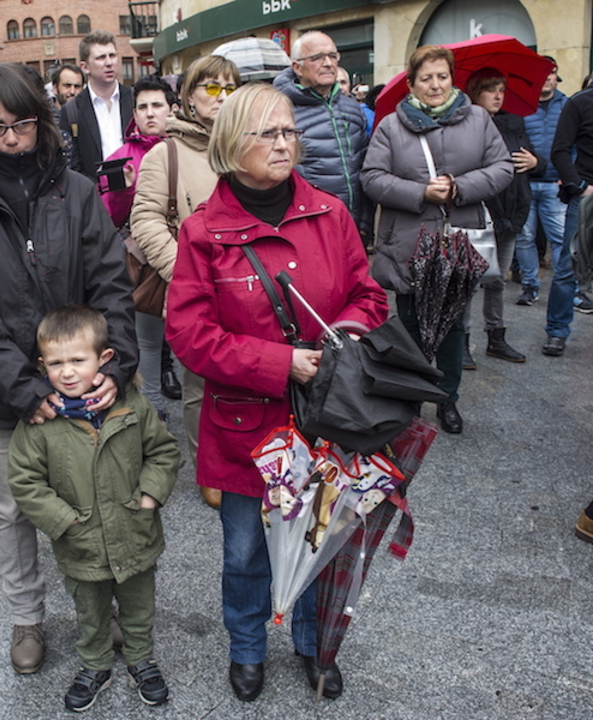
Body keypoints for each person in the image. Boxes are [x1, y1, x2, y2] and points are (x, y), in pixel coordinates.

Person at [165, 83, 388, 702]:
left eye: (289, 130)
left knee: (322, 540)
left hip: (325, 418)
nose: (284, 142)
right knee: (244, 554)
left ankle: (316, 646)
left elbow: (368, 298)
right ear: (232, 143)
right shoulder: (203, 232)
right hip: (245, 427)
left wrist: (339, 339)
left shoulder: (330, 212)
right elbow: (188, 334)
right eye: (268, 132)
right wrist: (278, 362)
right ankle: (246, 649)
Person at [0, 62, 138, 676]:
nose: (11, 137)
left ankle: (104, 606)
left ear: (41, 122)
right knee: (13, 509)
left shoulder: (73, 188)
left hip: (84, 378)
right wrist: (24, 389)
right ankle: (27, 616)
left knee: (95, 497)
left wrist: (113, 367)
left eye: (21, 123)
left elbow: (110, 283)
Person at [8, 305, 179, 711]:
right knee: (90, 610)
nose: (67, 372)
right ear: (42, 365)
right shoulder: (40, 422)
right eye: (56, 363)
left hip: (136, 532)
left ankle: (142, 658)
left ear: (103, 359)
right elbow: (24, 480)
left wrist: (150, 496)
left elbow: (163, 452)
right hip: (80, 540)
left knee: (139, 605)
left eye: (77, 361)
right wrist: (64, 522)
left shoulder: (130, 405)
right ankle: (95, 664)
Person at [361, 45, 513, 434]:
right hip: (409, 242)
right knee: (411, 324)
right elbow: (372, 178)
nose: (435, 85)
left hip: (458, 240)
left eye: (442, 76)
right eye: (426, 78)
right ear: (411, 84)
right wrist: (420, 193)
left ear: (452, 79)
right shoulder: (391, 127)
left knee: (453, 324)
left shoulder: (478, 119)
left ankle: (447, 398)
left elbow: (502, 168)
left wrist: (460, 186)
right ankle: (409, 399)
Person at [131, 55, 241, 509]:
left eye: (230, 87)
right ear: (189, 97)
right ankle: (207, 467)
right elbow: (146, 220)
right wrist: (189, 273)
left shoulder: (246, 145)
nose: (222, 97)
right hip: (196, 287)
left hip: (252, 287)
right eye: (211, 88)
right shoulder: (167, 152)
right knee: (200, 383)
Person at [99, 75, 176, 417]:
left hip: (190, 257)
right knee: (148, 341)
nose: (149, 113)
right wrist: (124, 190)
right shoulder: (121, 157)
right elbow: (107, 218)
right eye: (142, 106)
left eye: (157, 105)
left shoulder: (189, 146)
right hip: (145, 265)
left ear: (171, 109)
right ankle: (154, 412)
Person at [463, 68, 541, 364]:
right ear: (476, 93)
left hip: (512, 212)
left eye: (501, 89)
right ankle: (463, 341)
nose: (498, 95)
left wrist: (536, 161)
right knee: (468, 282)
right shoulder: (467, 123)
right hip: (480, 214)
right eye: (491, 89)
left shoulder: (513, 122)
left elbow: (530, 159)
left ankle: (496, 337)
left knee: (497, 280)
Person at [273, 31, 370, 241]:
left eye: (333, 56)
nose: (328, 63)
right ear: (297, 67)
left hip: (351, 228)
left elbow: (365, 168)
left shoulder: (352, 108)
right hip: (307, 229)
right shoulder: (279, 109)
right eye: (317, 58)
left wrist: (364, 223)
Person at [544, 82, 593, 356]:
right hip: (587, 199)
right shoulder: (580, 102)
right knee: (568, 266)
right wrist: (581, 186)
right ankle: (557, 331)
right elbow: (560, 150)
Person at [514, 58, 568, 308]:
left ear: (557, 77)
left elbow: (576, 144)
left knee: (559, 238)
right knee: (525, 238)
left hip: (556, 184)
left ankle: (564, 287)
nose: (547, 78)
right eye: (543, 74)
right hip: (526, 183)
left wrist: (570, 174)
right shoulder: (523, 107)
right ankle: (530, 286)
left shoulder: (567, 105)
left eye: (552, 73)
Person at [59, 30, 135, 181]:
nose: (109, 63)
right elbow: (71, 165)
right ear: (85, 67)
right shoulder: (72, 110)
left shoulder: (134, 99)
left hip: (138, 191)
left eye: (112, 56)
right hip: (96, 195)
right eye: (101, 58)